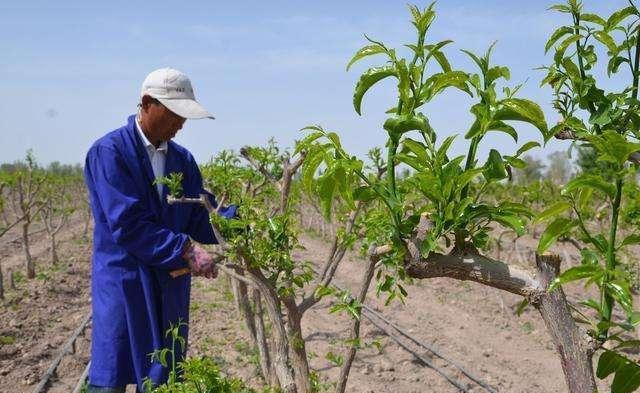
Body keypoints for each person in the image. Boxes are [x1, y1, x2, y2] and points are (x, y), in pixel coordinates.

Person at [83, 68, 234, 392]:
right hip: (126, 281)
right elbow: (128, 224)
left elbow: (200, 214)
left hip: (169, 285)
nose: (181, 124)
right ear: (148, 103)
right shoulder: (109, 153)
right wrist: (186, 250)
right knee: (113, 371)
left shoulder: (182, 160)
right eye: (175, 113)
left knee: (162, 377)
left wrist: (243, 225)